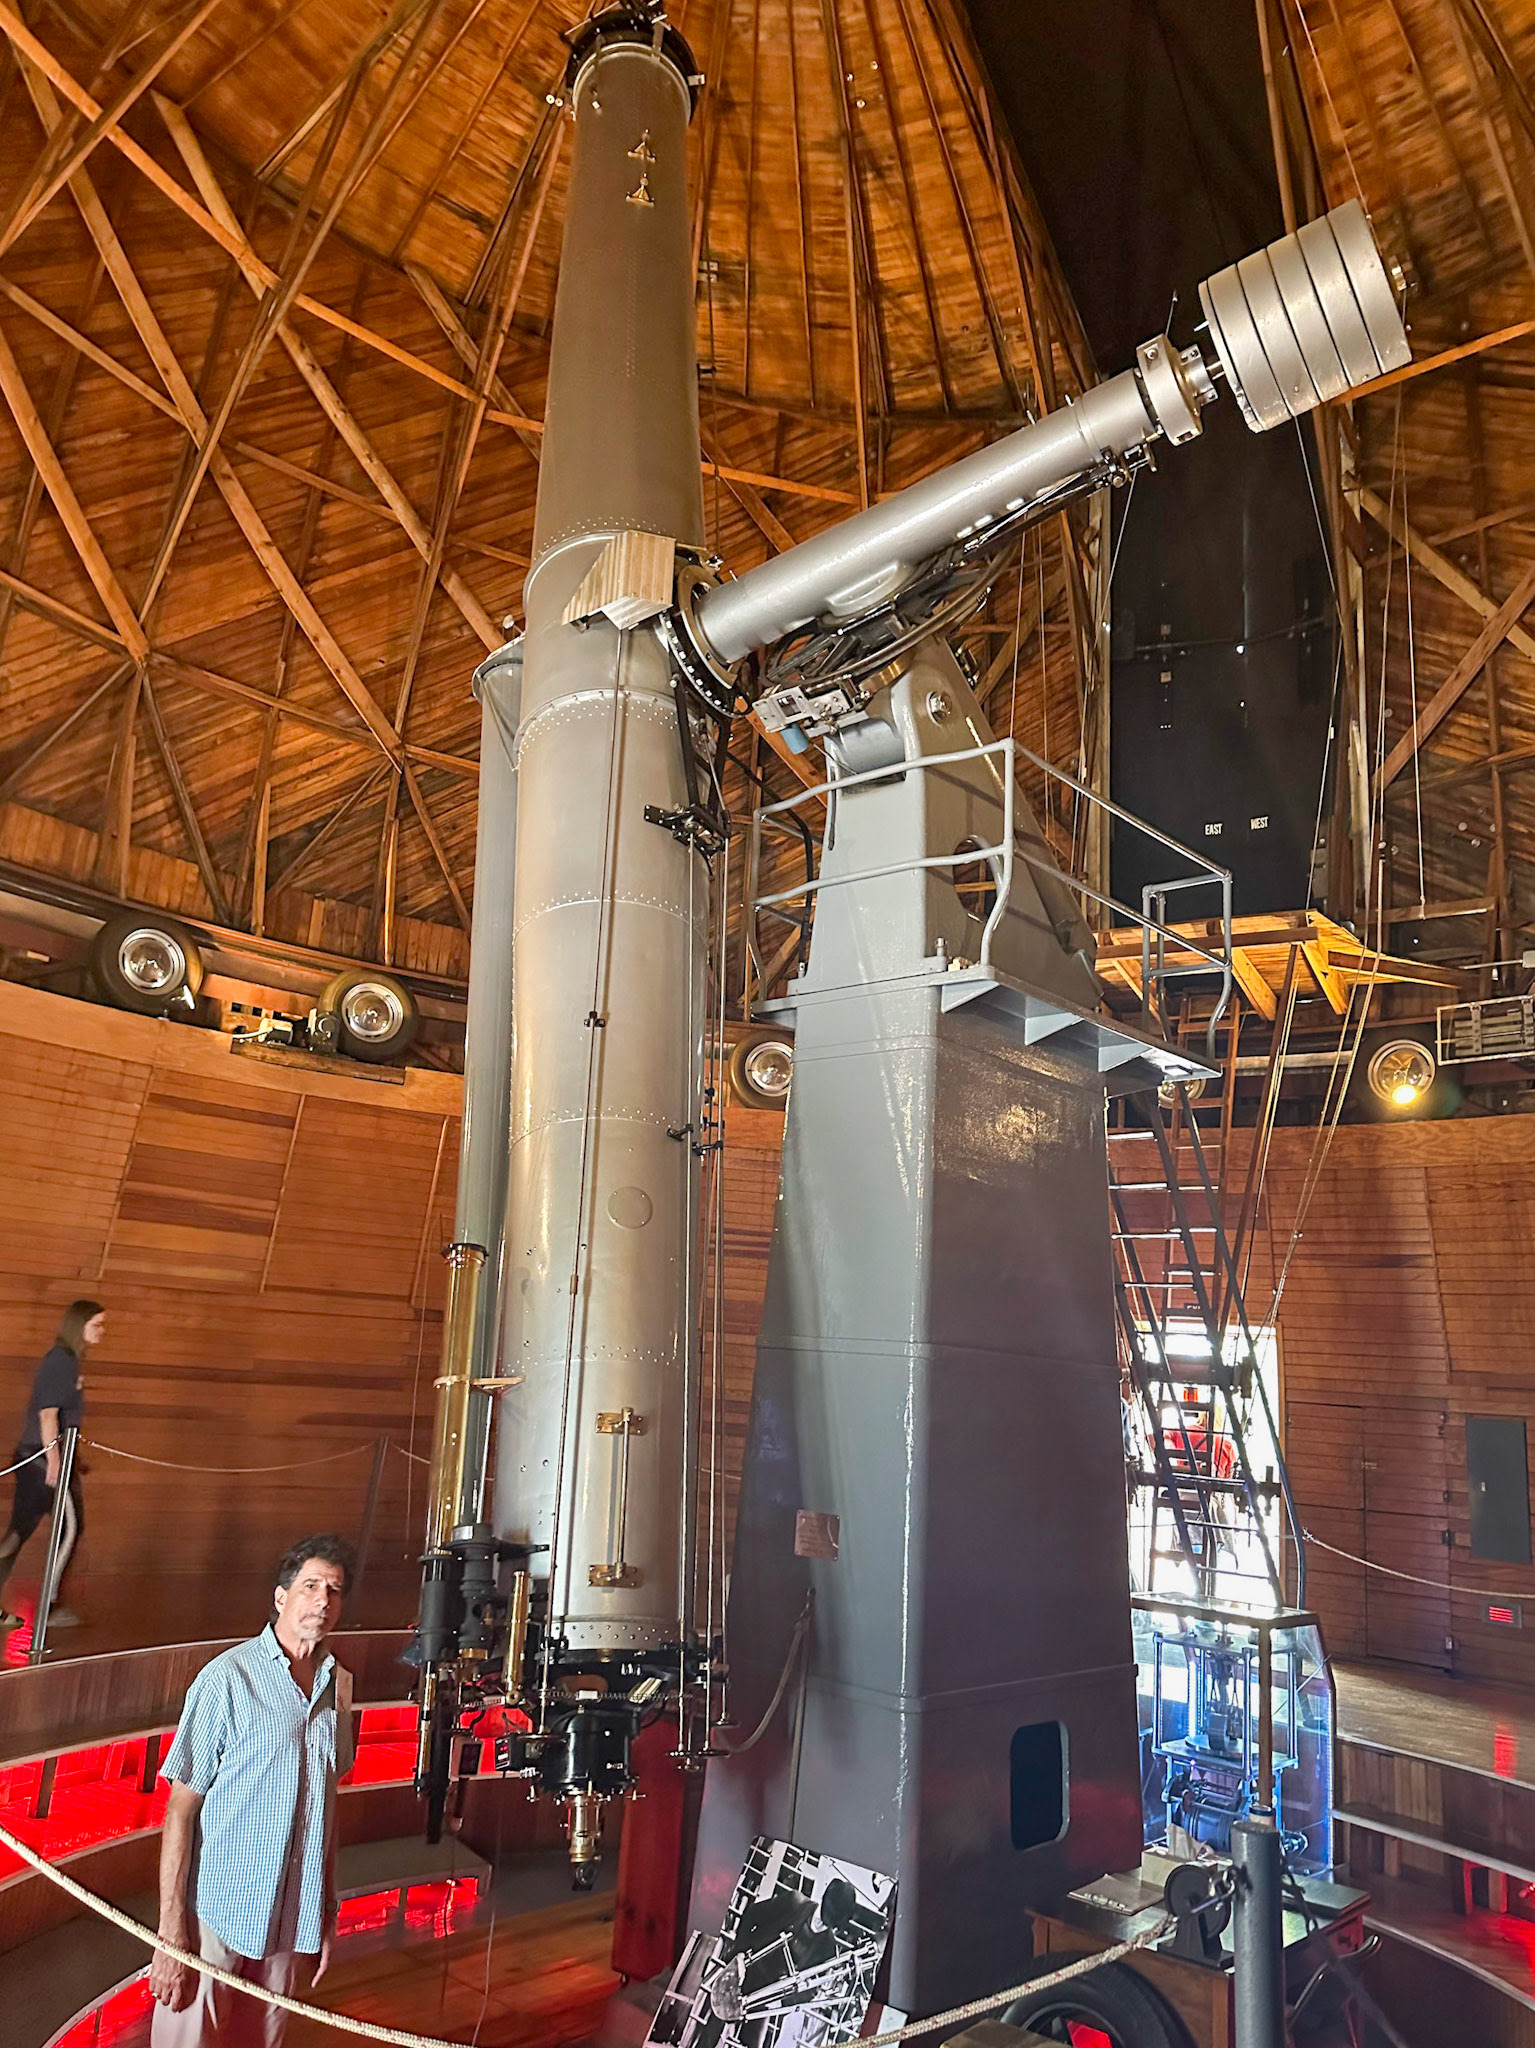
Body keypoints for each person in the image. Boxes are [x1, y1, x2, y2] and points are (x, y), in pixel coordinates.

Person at [149, 1534, 357, 2048]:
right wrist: (172, 1935)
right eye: (310, 1585)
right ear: (281, 1597)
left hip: (293, 1917)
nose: (323, 1600)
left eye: (334, 1589)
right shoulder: (226, 1680)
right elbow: (180, 1810)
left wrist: (326, 1914)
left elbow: (326, 1811)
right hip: (217, 1915)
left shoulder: (341, 1688)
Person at [0, 1298, 103, 1630]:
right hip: (42, 1463)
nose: (102, 1331)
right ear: (79, 1325)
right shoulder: (61, 1361)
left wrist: (76, 1458)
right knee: (68, 1530)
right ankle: (49, 1605)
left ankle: (51, 1602)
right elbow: (48, 1415)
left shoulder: (69, 1361)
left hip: (50, 1459)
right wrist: (55, 1463)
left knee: (20, 1533)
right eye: (97, 1324)